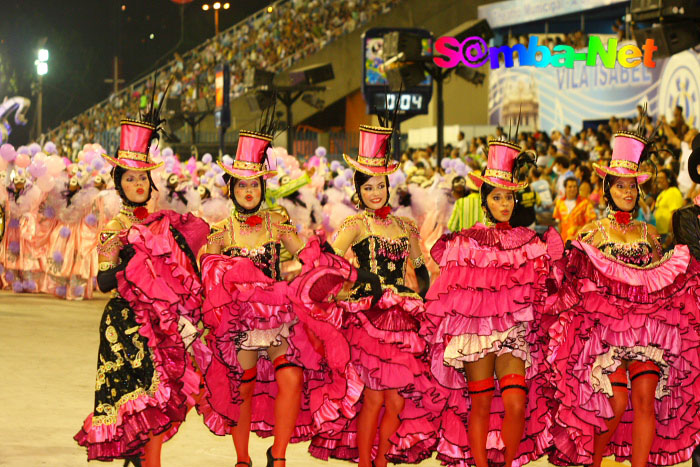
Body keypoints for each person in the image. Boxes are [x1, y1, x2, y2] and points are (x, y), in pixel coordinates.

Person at [546, 129, 700, 467]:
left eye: (632, 186)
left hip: (647, 332)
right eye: (620, 186)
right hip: (608, 336)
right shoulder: (593, 233)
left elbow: (662, 279)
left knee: (646, 401)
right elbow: (575, 280)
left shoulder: (650, 234)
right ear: (607, 190)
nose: (628, 192)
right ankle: (594, 461)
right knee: (614, 403)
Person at [75, 110, 209, 466]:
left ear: (152, 184)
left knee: (159, 398)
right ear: (119, 184)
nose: (137, 185)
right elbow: (103, 282)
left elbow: (183, 273)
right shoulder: (113, 229)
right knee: (133, 398)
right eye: (130, 179)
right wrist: (130, 261)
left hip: (162, 322)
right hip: (125, 324)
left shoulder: (165, 223)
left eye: (143, 178)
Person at [425, 138, 562, 467]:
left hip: (513, 333)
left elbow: (543, 288)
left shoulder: (529, 240)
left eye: (509, 197)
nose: (504, 203)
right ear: (484, 200)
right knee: (482, 404)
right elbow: (451, 290)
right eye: (497, 197)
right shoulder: (467, 240)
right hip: (476, 332)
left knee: (517, 402)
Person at [309, 124, 439, 467]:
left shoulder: (406, 227)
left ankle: (380, 461)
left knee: (395, 403)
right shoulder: (355, 226)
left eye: (380, 185)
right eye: (368, 187)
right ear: (359, 191)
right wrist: (361, 279)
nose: (376, 192)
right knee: (373, 400)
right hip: (367, 320)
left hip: (401, 320)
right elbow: (328, 261)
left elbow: (421, 268)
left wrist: (416, 292)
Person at [200, 128, 320, 467]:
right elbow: (208, 276)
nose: (249, 190)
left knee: (292, 377)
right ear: (231, 188)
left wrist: (322, 266)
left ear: (263, 188)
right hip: (240, 322)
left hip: (278, 315)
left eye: (255, 184)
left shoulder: (277, 222)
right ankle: (242, 459)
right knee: (243, 388)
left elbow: (306, 256)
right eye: (242, 184)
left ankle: (278, 457)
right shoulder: (220, 232)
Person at [552, 177, 597, 243]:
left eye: (575, 186)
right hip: (565, 241)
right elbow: (559, 223)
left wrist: (578, 235)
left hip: (580, 241)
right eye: (570, 187)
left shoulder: (585, 203)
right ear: (565, 188)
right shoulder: (559, 203)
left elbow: (590, 222)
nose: (572, 189)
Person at [654, 168, 683, 247]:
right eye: (657, 178)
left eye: (661, 178)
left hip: (668, 235)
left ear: (669, 179)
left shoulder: (673, 191)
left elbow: (675, 214)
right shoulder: (662, 193)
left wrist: (671, 234)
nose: (658, 180)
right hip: (660, 233)